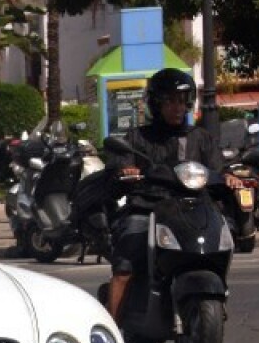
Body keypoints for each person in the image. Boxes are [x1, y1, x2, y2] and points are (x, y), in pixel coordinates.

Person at [104, 68, 244, 322]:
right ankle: (111, 333)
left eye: (182, 101)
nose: (177, 108)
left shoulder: (201, 138)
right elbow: (120, 164)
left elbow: (217, 170)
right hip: (148, 207)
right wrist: (125, 170)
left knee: (219, 242)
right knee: (125, 266)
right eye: (169, 101)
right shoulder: (138, 137)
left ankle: (215, 294)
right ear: (156, 103)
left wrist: (229, 178)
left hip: (191, 209)